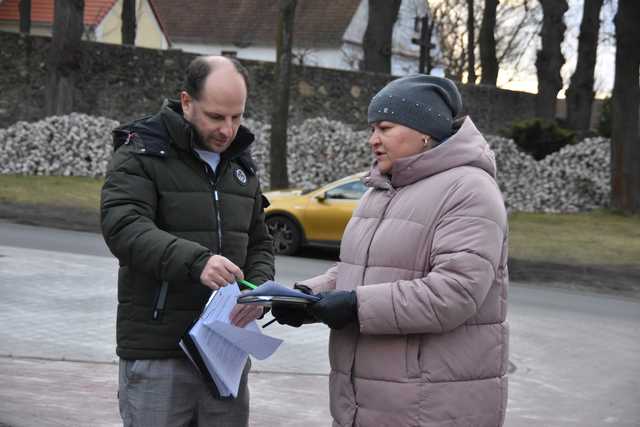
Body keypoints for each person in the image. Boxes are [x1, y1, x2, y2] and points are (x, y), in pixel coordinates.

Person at [273, 75, 509, 426]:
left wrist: (356, 306)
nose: (373, 140)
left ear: (424, 131)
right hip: (364, 401)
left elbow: (454, 292)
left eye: (384, 127)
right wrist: (309, 298)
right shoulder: (380, 190)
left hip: (428, 405)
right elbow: (357, 271)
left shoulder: (469, 190)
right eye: (372, 129)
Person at [101, 56, 274, 426]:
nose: (227, 130)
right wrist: (197, 262)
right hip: (158, 352)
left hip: (225, 352)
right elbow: (124, 226)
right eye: (215, 116)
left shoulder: (240, 165)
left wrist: (257, 290)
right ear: (186, 101)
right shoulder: (141, 150)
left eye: (237, 117)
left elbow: (260, 240)